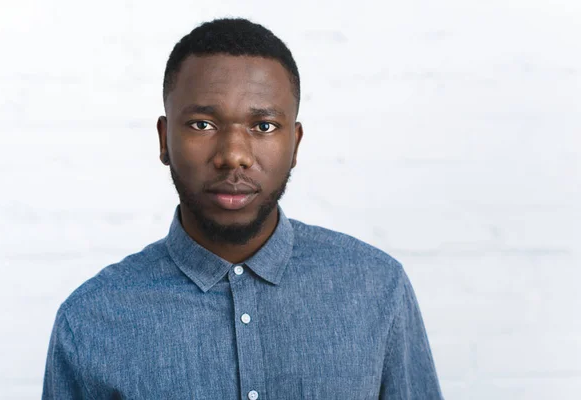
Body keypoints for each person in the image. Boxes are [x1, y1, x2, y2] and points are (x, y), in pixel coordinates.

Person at [42, 18, 443, 400]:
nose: (234, 156)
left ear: (296, 144)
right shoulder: (91, 320)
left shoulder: (377, 288)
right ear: (164, 139)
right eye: (202, 124)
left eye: (263, 126)